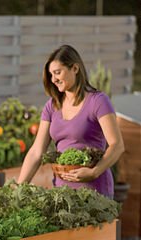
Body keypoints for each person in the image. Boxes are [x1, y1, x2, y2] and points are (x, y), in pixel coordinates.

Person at [17, 44, 124, 198]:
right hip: (62, 194)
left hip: (95, 192)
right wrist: (18, 189)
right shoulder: (52, 106)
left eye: (57, 73)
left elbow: (117, 145)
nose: (53, 79)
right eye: (51, 75)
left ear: (75, 68)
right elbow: (36, 151)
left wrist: (94, 172)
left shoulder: (98, 101)